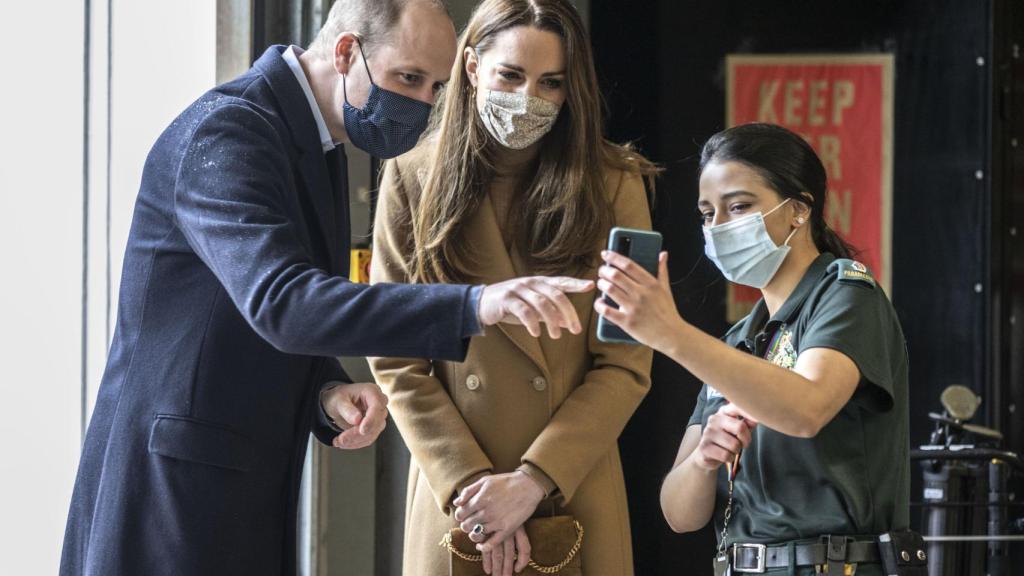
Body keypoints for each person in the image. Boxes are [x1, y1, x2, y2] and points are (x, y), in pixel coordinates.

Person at [60, 1, 596, 574]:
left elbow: (236, 319)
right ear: (345, 52)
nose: (421, 104)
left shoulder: (315, 145)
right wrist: (477, 302)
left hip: (238, 489)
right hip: (167, 497)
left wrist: (325, 391)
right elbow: (282, 302)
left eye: (435, 86)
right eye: (407, 78)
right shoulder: (230, 129)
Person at [367, 1, 659, 575]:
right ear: (472, 67)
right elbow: (395, 355)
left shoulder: (613, 184)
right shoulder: (410, 176)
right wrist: (474, 489)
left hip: (570, 484)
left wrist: (533, 481)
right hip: (456, 494)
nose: (529, 98)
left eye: (550, 83)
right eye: (511, 75)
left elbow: (626, 361)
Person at [594, 123, 909, 575]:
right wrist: (704, 458)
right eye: (706, 214)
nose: (717, 227)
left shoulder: (844, 293)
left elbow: (807, 407)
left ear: (798, 210)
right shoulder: (739, 340)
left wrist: (671, 334)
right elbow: (679, 515)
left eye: (738, 206)